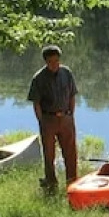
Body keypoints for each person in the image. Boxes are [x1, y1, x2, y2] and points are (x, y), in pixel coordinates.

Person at [28, 45, 78, 193]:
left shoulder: (66, 73)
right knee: (49, 154)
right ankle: (51, 184)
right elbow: (36, 102)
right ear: (46, 61)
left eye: (57, 61)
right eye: (51, 62)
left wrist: (70, 115)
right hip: (48, 119)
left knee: (70, 153)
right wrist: (41, 121)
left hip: (66, 118)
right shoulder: (38, 78)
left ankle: (73, 184)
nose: (54, 64)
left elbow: (72, 95)